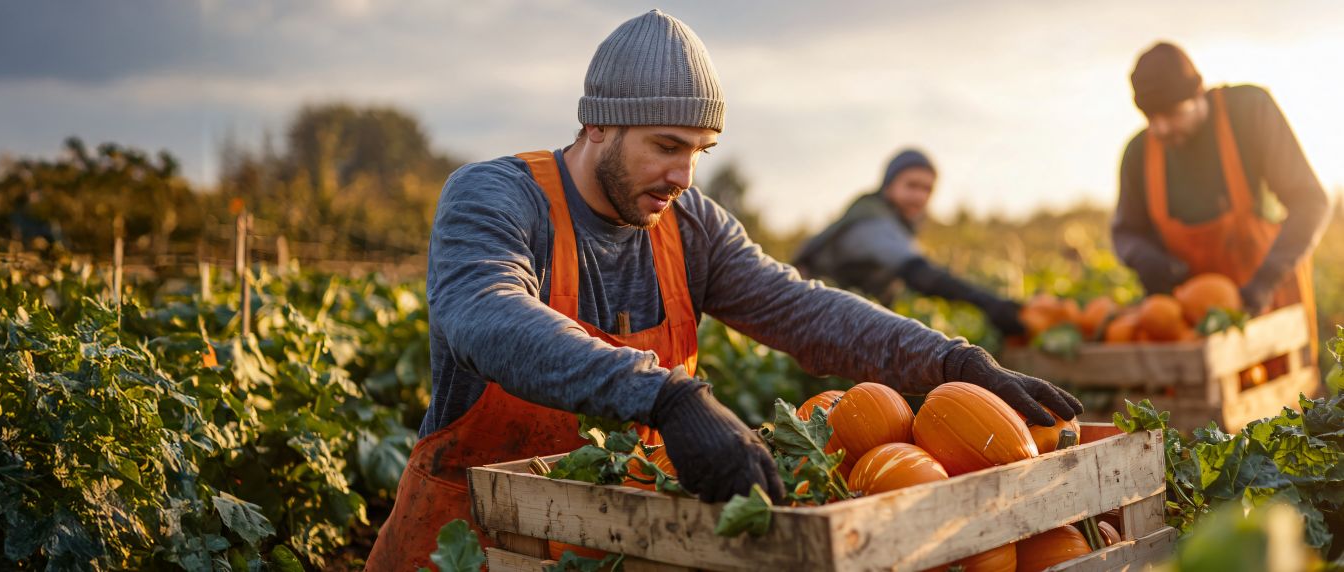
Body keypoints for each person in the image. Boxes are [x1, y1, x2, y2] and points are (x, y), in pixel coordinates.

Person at [365, 10, 1080, 570]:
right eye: (667, 146)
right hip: (469, 542)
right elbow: (484, 314)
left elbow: (801, 309)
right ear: (599, 122)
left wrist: (950, 362)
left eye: (700, 152)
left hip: (630, 544)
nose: (685, 176)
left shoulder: (689, 226)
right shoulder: (494, 197)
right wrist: (664, 394)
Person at [1112, 42, 1327, 347]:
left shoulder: (1249, 112)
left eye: (1172, 113)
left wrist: (1264, 282)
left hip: (1271, 306)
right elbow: (1126, 232)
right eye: (1151, 117)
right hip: (1196, 330)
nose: (1161, 128)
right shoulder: (1138, 154)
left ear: (1198, 93)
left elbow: (1310, 201)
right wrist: (1144, 256)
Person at [793, 150, 1026, 336]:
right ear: (889, 186)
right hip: (816, 323)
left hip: (843, 322)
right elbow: (919, 274)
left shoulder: (897, 224)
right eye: (912, 185)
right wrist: (991, 305)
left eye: (927, 189)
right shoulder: (872, 224)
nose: (920, 196)